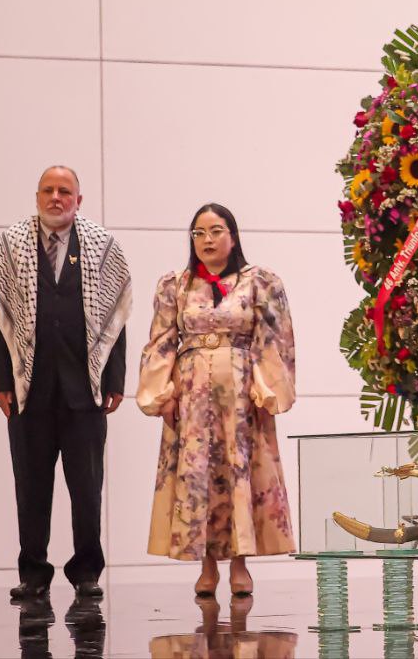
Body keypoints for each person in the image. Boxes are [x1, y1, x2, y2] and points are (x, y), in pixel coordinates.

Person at [0, 166, 131, 601]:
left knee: (87, 490)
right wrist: (0, 382)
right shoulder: (10, 247)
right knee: (30, 488)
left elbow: (116, 320)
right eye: (48, 190)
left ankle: (86, 572)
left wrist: (115, 379)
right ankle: (33, 573)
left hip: (85, 392)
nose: (56, 197)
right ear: (37, 196)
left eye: (65, 191)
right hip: (29, 392)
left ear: (78, 200)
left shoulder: (102, 247)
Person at [137, 203, 296, 597]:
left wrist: (266, 388)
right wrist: (162, 394)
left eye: (215, 231)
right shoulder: (175, 285)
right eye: (199, 233)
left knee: (238, 471)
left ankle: (240, 563)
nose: (207, 240)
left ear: (233, 236)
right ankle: (206, 565)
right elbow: (160, 341)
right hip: (191, 398)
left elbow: (276, 338)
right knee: (199, 473)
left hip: (241, 396)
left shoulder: (259, 282)